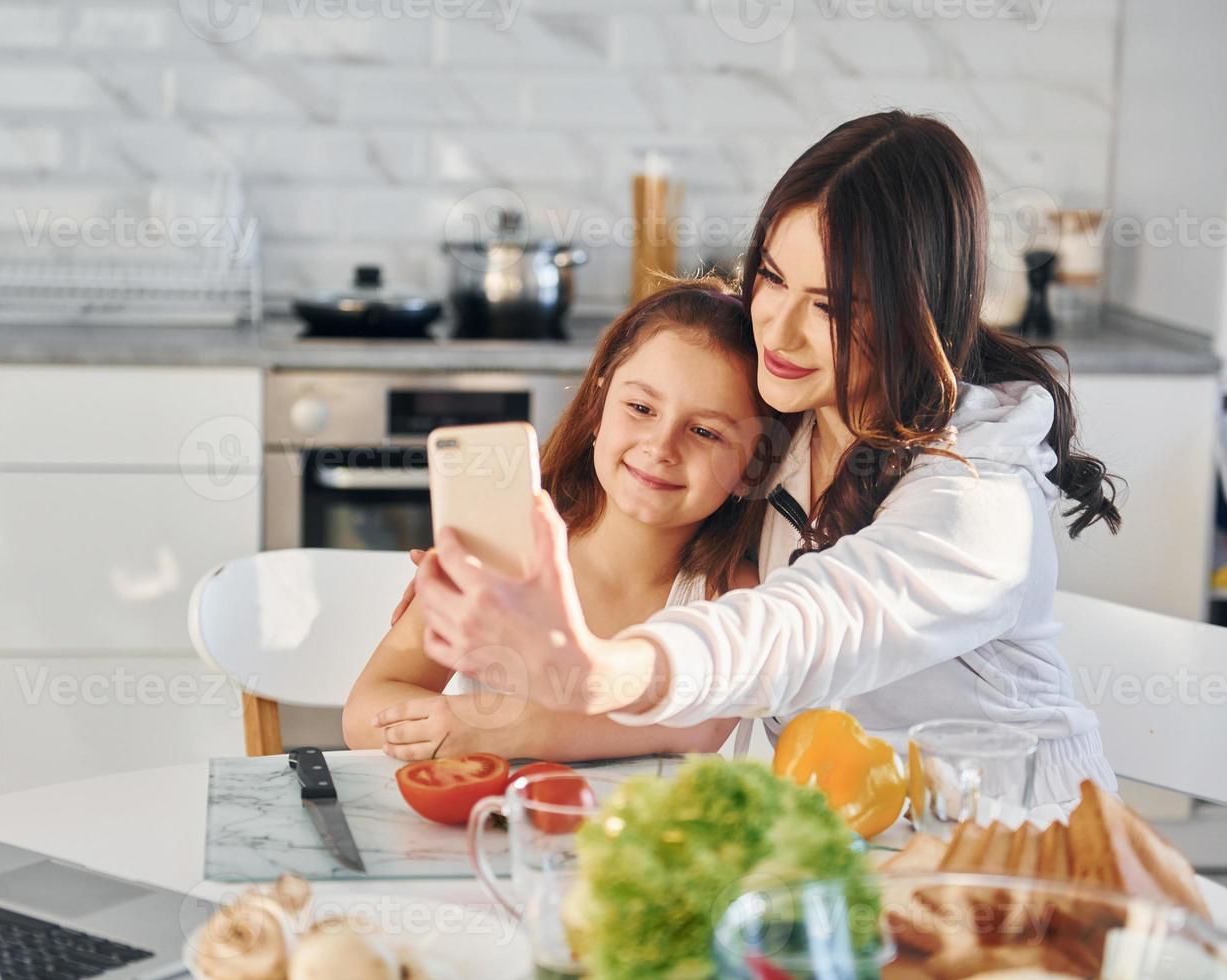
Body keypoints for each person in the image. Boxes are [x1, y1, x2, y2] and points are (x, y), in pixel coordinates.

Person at [409, 111, 1123, 807]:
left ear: (916, 314)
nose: (776, 329)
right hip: (843, 843)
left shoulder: (979, 495)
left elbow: (806, 624)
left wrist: (600, 672)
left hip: (1018, 845)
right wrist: (500, 576)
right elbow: (649, 518)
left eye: (831, 307)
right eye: (773, 277)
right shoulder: (776, 428)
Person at [341, 279, 776, 762]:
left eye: (704, 431)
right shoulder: (497, 557)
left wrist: (504, 728)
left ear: (751, 468)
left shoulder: (732, 595)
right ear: (598, 409)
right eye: (640, 408)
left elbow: (697, 729)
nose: (661, 447)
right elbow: (364, 710)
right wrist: (468, 723)